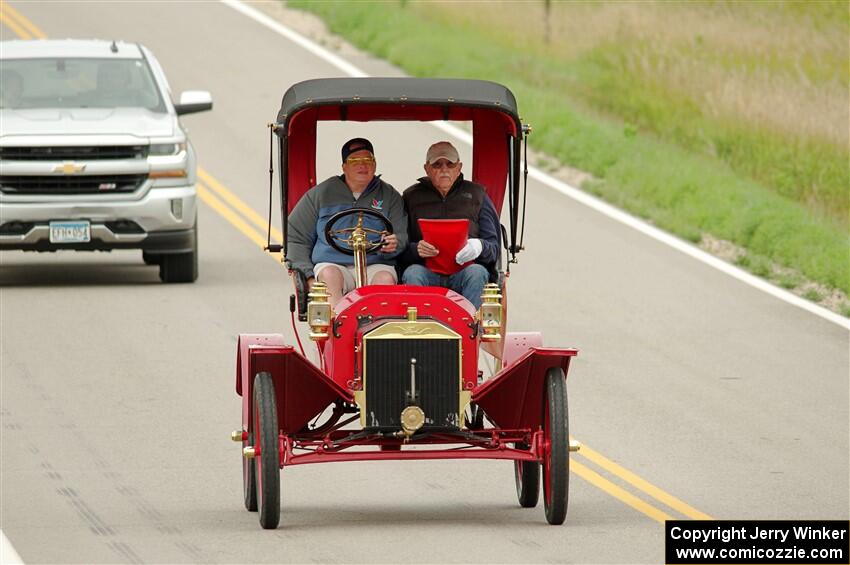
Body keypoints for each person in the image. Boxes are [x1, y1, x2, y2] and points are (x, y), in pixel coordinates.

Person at [287, 138, 407, 307]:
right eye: (355, 161)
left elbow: (402, 235)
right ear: (344, 167)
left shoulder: (389, 195)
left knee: (385, 279)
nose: (362, 166)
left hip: (375, 264)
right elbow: (295, 237)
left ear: (375, 164)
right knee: (329, 275)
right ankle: (336, 328)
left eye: (367, 160)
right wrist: (308, 277)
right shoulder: (321, 194)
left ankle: (375, 329)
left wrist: (396, 243)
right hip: (333, 264)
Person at [402, 141, 500, 309]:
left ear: (459, 167)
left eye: (450, 164)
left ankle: (471, 329)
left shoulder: (477, 195)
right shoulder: (411, 197)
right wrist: (416, 249)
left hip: (465, 271)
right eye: (437, 165)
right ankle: (418, 331)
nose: (444, 169)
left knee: (476, 273)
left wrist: (479, 246)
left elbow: (494, 248)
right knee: (412, 273)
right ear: (427, 168)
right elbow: (400, 247)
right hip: (427, 272)